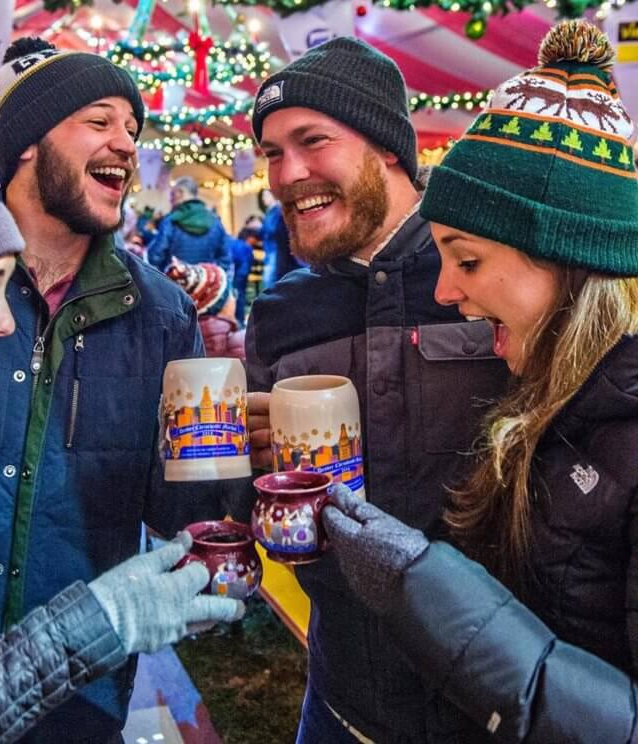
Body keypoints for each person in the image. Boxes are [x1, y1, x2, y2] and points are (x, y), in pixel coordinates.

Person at [322, 20, 638, 742]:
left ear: (562, 256)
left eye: (465, 260)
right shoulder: (549, 398)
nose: (443, 293)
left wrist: (425, 588)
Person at [0, 143, 243, 743]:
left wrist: (215, 457)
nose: (2, 322)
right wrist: (94, 623)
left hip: (71, 693)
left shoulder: (160, 308)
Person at [246, 36, 509, 743]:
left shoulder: (488, 274)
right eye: (271, 152)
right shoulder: (279, 314)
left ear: (389, 147)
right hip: (343, 703)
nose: (287, 173)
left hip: (496, 709)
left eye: (312, 141)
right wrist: (249, 467)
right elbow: (256, 500)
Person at [147, 176, 232, 272]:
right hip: (204, 283)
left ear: (180, 193)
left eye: (172, 194)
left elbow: (155, 256)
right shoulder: (215, 221)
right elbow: (225, 259)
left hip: (174, 282)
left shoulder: (171, 221)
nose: (170, 199)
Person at [165, 258, 245, 359]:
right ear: (221, 304)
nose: (234, 298)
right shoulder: (244, 345)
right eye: (232, 293)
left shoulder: (174, 343)